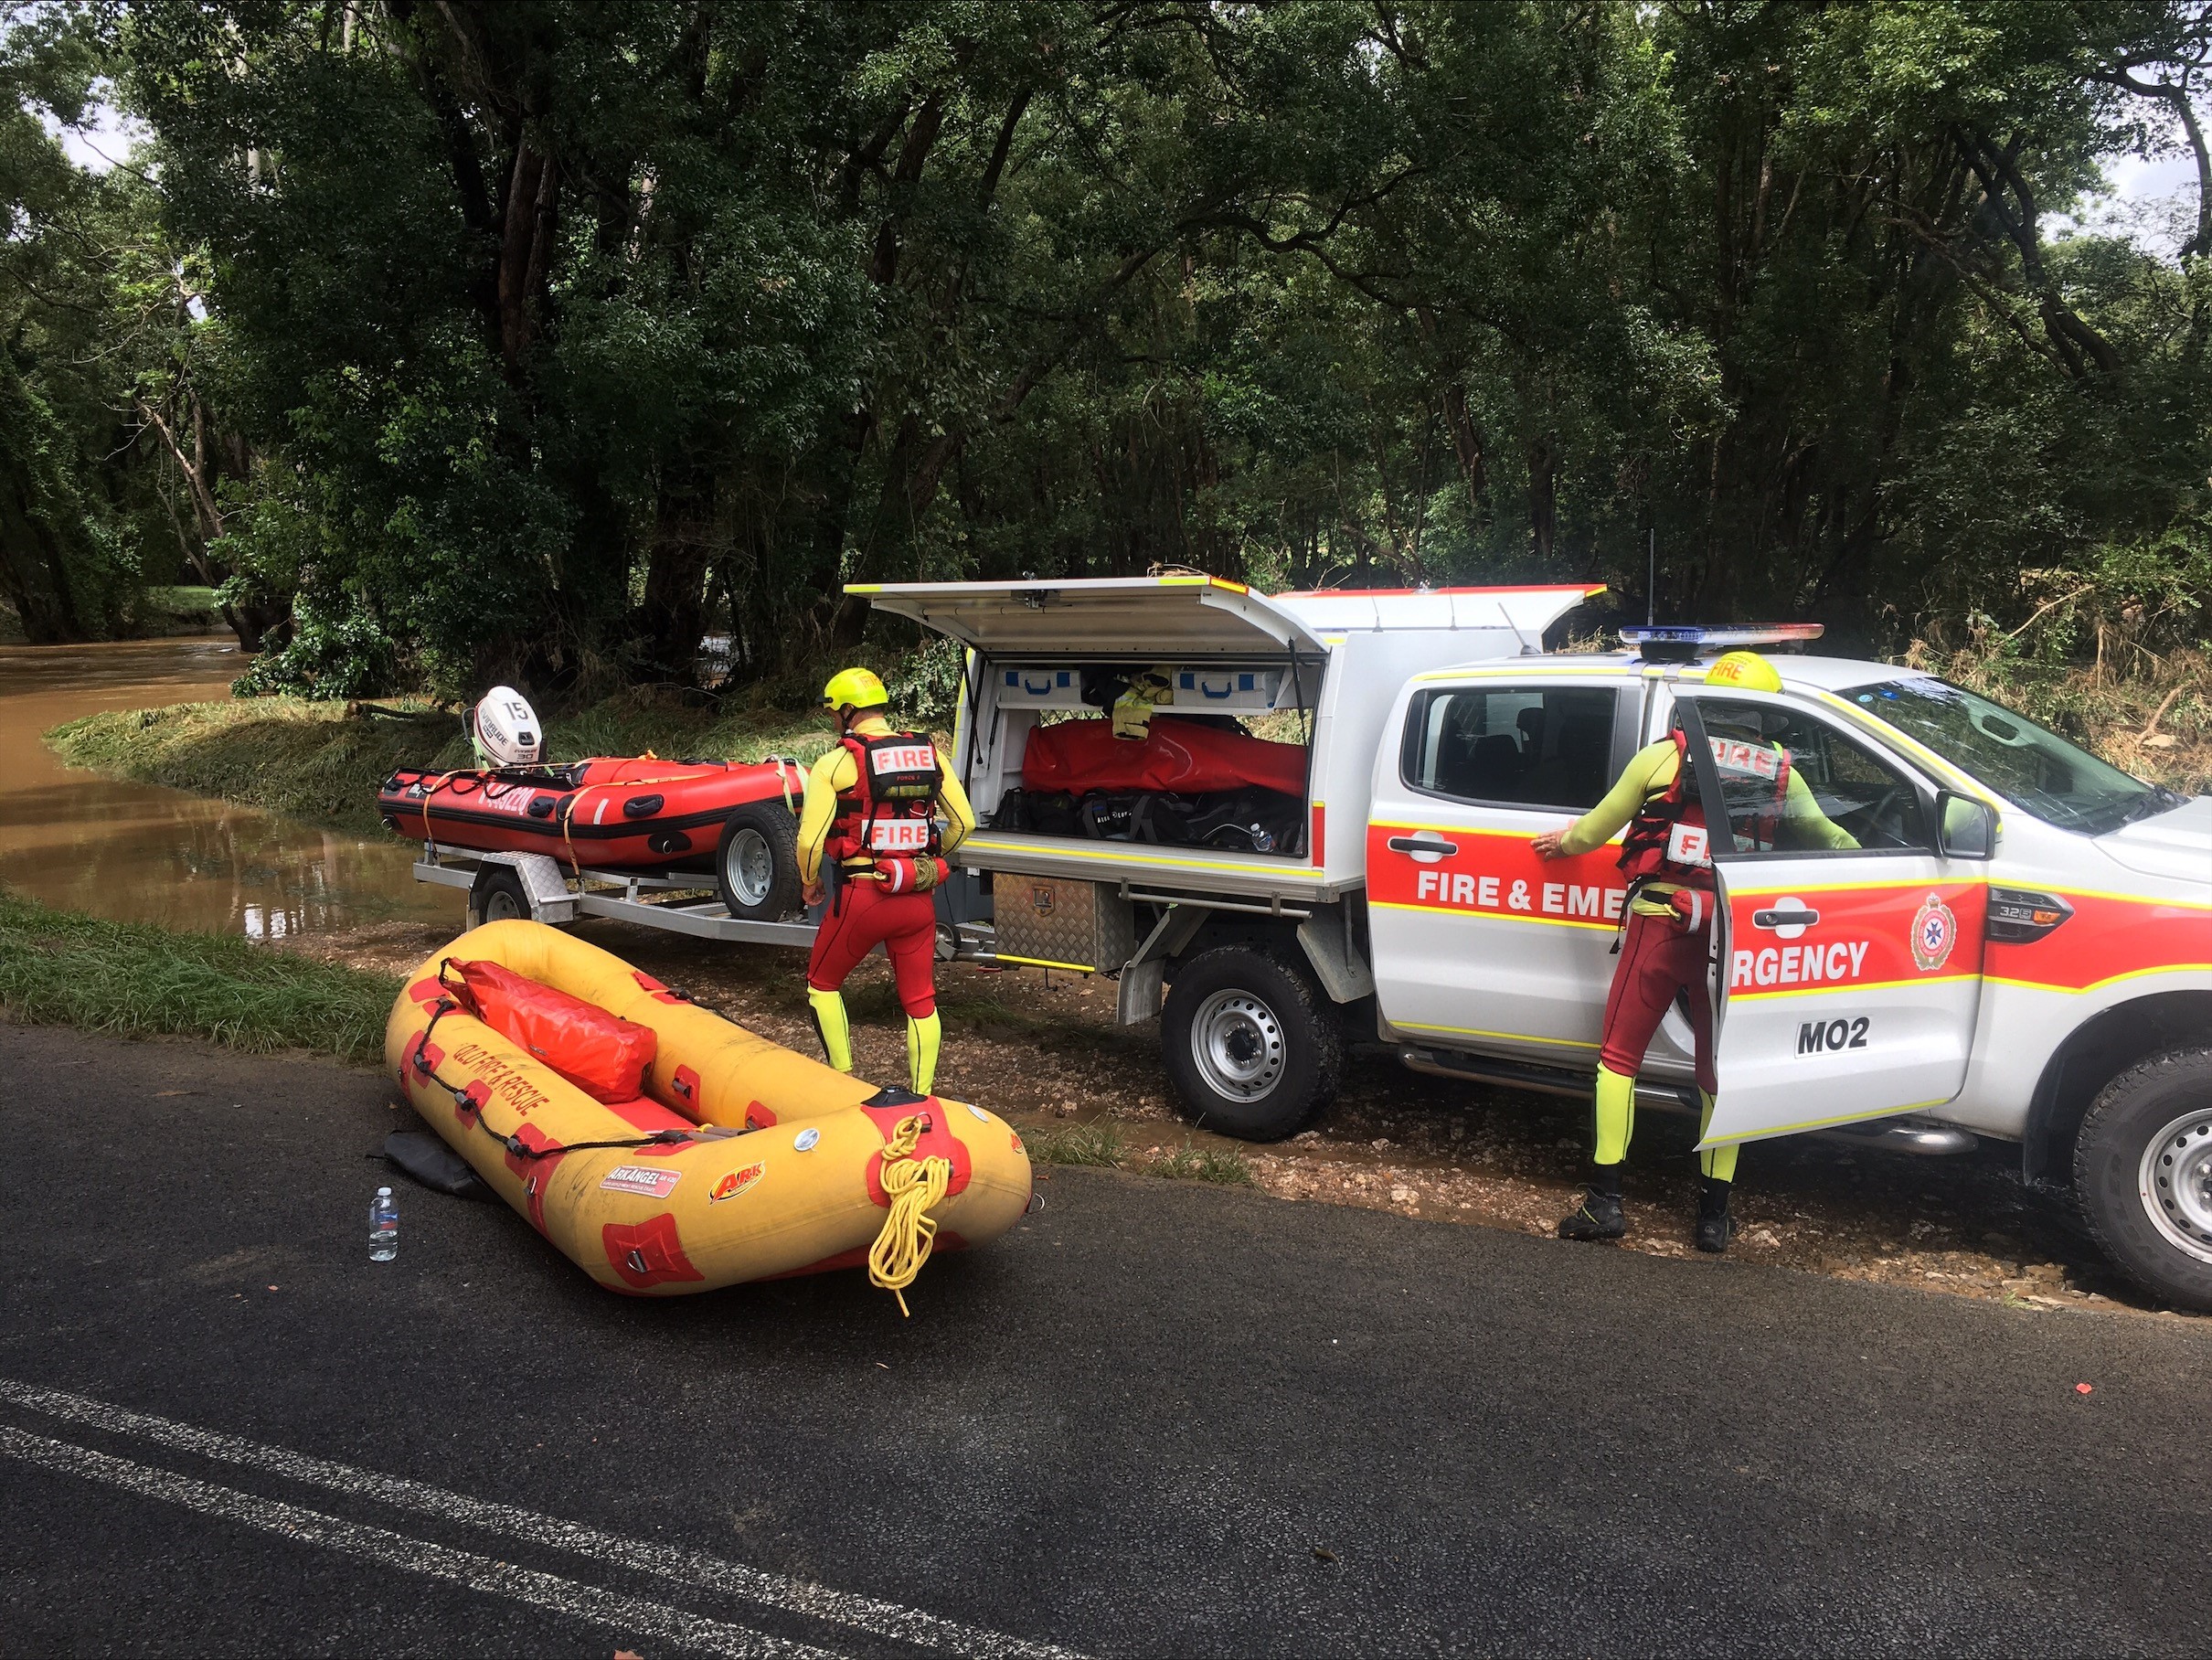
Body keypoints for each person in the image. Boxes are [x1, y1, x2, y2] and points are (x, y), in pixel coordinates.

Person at [1531, 650, 1856, 1251]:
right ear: (1763, 714)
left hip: (1661, 927)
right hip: (1731, 940)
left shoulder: (1664, 757)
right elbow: (1828, 838)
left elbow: (1595, 829)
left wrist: (1562, 843)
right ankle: (1713, 1217)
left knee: (1618, 1060)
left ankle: (1605, 1204)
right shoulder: (1782, 772)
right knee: (1718, 1074)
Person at [796, 666, 975, 1096]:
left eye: (834, 714)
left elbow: (810, 841)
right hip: (917, 899)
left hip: (863, 897)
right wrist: (928, 859)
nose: (833, 722)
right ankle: (922, 1096)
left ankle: (843, 1083)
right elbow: (963, 824)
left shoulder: (836, 762)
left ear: (847, 711)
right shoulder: (929, 755)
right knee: (920, 1003)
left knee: (821, 986)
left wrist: (808, 883)